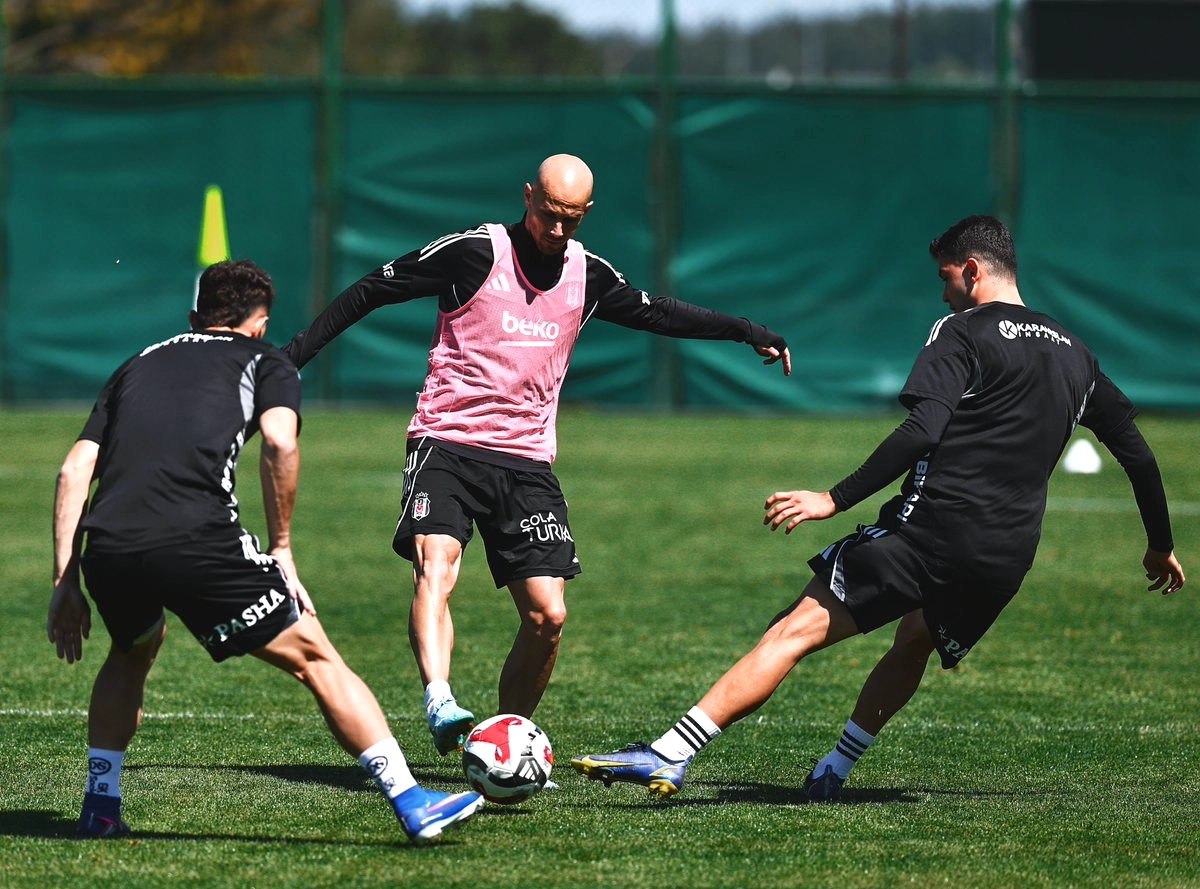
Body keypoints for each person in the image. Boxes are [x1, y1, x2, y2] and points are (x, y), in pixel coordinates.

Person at [571, 214, 1186, 800]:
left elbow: (922, 431)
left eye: (946, 277)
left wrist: (832, 498)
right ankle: (833, 769)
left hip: (930, 534)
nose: (943, 293)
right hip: (1005, 557)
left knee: (790, 631)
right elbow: (1138, 455)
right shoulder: (1076, 353)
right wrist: (1160, 545)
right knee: (915, 637)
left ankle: (670, 751)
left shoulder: (962, 331)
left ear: (972, 270)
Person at [282, 153, 792, 757]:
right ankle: (440, 698)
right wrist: (289, 362)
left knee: (548, 616)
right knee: (436, 565)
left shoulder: (587, 274)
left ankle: (504, 743)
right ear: (528, 196)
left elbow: (660, 313)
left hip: (526, 459)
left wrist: (746, 330)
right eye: (548, 213)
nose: (556, 228)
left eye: (570, 218)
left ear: (586, 213)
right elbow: (372, 289)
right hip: (447, 440)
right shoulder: (475, 253)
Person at [48, 259, 482, 842]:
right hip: (198, 540)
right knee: (317, 659)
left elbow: (74, 469)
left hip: (109, 546)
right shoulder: (265, 360)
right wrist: (281, 547)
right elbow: (279, 441)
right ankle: (412, 802)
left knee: (132, 650)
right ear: (260, 323)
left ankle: (100, 808)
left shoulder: (139, 362)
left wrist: (64, 582)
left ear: (195, 317)